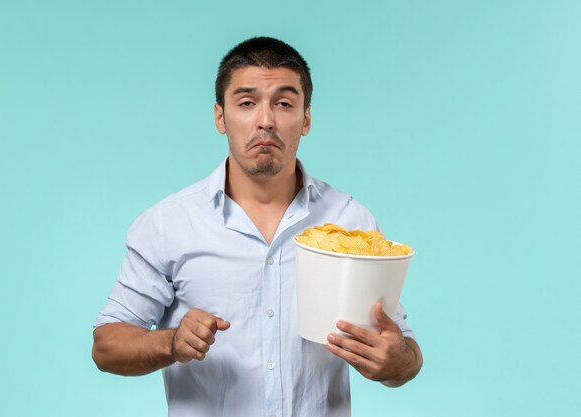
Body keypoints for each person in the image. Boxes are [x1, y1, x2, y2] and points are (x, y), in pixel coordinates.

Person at [92, 36, 423, 417]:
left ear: (307, 118)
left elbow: (404, 354)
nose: (265, 120)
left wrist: (398, 362)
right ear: (220, 117)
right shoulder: (169, 224)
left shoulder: (352, 224)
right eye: (246, 103)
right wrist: (171, 343)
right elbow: (106, 346)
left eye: (284, 103)